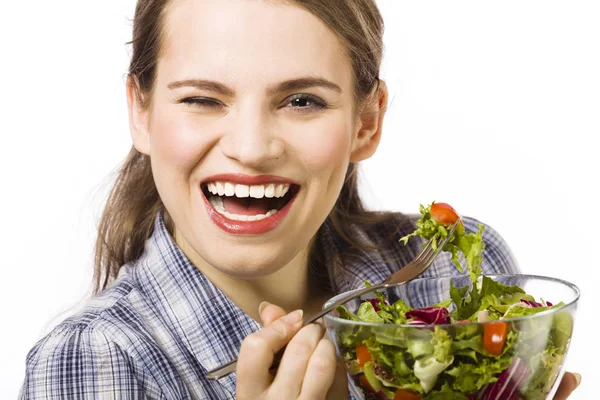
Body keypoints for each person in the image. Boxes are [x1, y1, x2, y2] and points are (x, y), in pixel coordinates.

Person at [19, 0, 580, 399]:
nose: (251, 148)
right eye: (202, 99)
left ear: (368, 121)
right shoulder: (94, 362)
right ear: (140, 112)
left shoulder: (455, 277)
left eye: (303, 101)